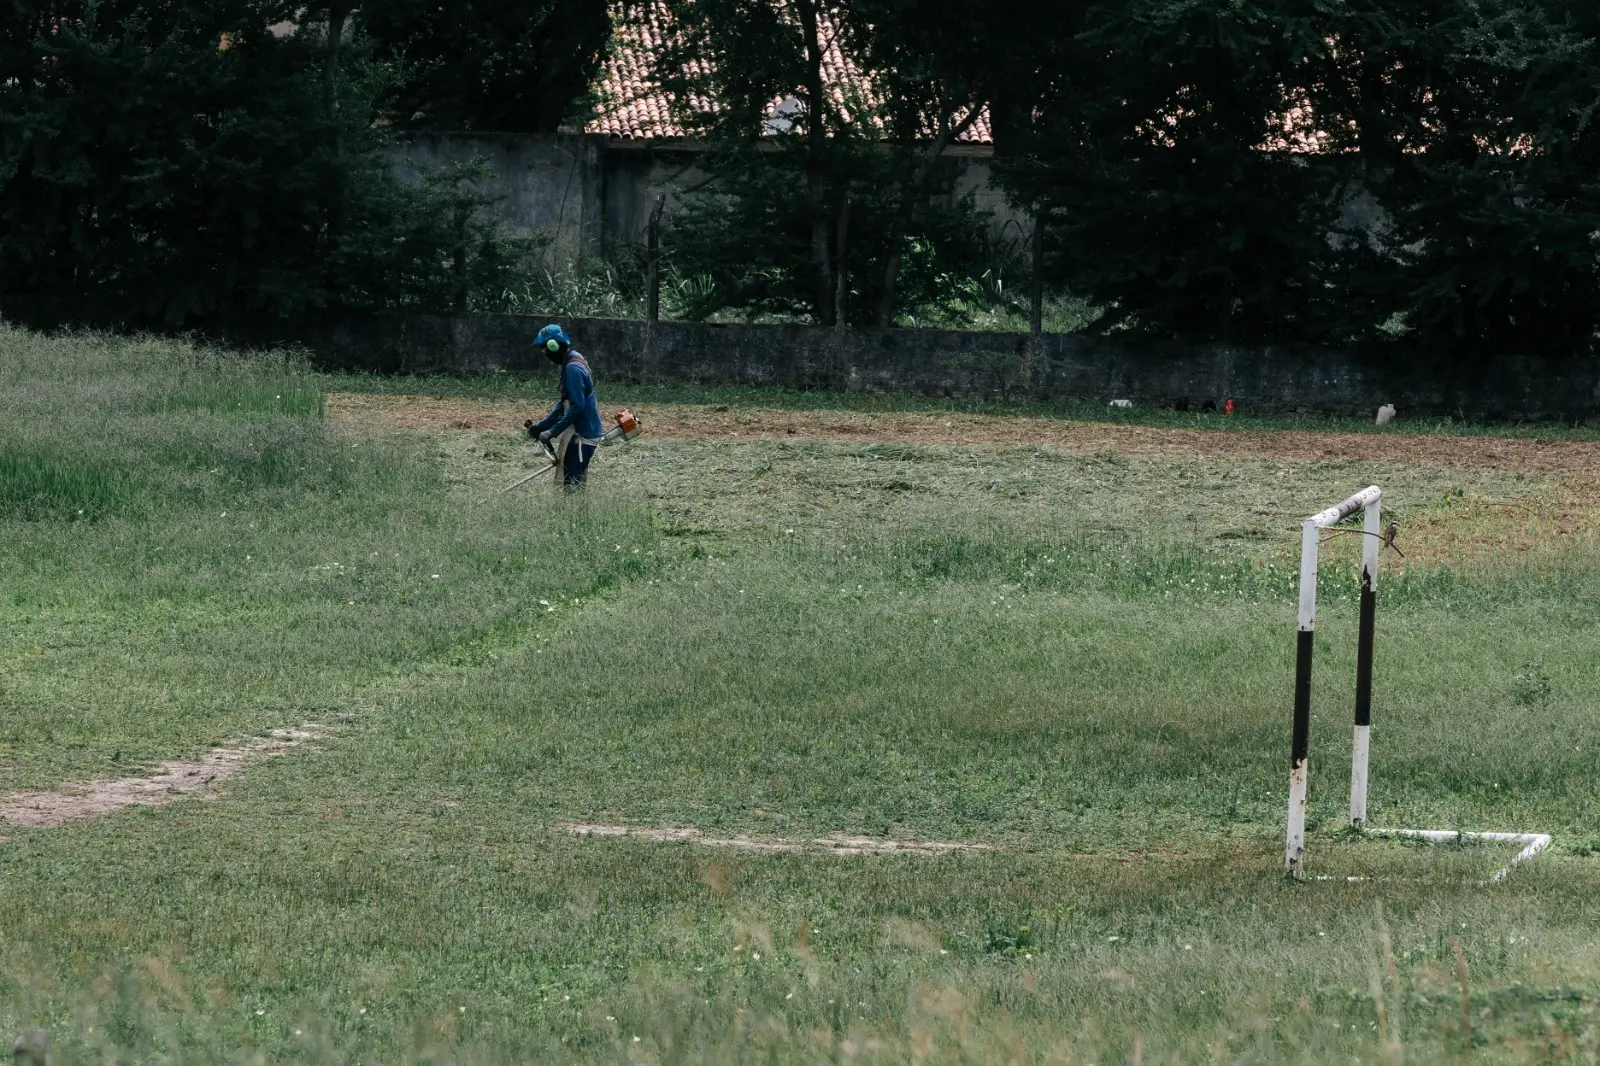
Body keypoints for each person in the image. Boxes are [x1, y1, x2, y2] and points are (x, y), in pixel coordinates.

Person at [524, 324, 604, 489]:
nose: (544, 353)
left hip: (584, 435)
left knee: (572, 486)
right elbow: (564, 404)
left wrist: (551, 432)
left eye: (545, 349)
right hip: (579, 431)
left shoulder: (573, 368)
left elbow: (577, 407)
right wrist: (542, 426)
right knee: (570, 482)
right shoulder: (570, 360)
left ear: (554, 346)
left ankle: (576, 514)